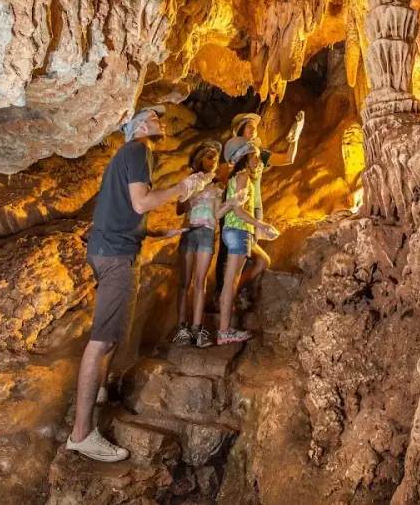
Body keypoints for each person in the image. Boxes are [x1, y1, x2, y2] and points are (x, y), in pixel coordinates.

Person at [66, 106, 212, 462]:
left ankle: (99, 392)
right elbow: (140, 201)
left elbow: (126, 211)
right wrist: (182, 186)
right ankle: (81, 434)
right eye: (152, 116)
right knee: (100, 342)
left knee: (111, 335)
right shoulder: (138, 150)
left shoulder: (127, 155)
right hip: (115, 256)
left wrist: (161, 232)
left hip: (109, 249)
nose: (159, 119)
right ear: (138, 126)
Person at [215, 111, 304, 304]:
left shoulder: (259, 154)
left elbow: (287, 159)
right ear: (240, 130)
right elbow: (222, 181)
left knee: (249, 249)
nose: (253, 126)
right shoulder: (231, 154)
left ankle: (233, 295)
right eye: (248, 124)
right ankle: (221, 294)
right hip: (235, 205)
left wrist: (295, 137)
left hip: (255, 206)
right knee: (227, 251)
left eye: (254, 125)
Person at [173, 140, 249, 348]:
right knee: (185, 280)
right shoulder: (190, 180)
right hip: (189, 230)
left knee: (200, 281)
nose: (213, 162)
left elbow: (216, 214)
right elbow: (180, 209)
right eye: (209, 157)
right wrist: (198, 189)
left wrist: (232, 202)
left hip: (207, 232)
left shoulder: (218, 186)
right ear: (200, 159)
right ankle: (181, 328)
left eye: (216, 159)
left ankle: (198, 329)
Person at [217, 137, 277, 345]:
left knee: (263, 261)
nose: (259, 161)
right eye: (256, 156)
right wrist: (261, 226)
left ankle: (227, 297)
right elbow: (239, 210)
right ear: (245, 157)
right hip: (238, 230)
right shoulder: (243, 177)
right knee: (230, 281)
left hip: (238, 231)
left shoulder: (238, 177)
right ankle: (224, 331)